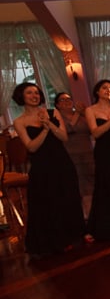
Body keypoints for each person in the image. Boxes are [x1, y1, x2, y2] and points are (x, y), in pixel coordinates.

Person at [11, 82, 85, 257]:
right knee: (49, 203)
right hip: (41, 167)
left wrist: (49, 124)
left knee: (68, 197)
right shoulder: (19, 121)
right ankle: (54, 241)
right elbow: (31, 147)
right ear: (22, 96)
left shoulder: (53, 112)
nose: (34, 95)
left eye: (37, 92)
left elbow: (64, 137)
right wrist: (44, 130)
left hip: (61, 162)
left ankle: (72, 237)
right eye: (29, 93)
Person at [84, 79, 110, 241]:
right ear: (97, 91)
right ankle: (103, 225)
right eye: (105, 88)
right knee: (106, 186)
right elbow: (95, 133)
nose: (109, 91)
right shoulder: (91, 110)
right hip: (104, 151)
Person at [54, 92, 94, 217]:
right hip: (71, 154)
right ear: (57, 105)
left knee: (91, 183)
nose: (66, 101)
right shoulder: (58, 118)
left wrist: (82, 113)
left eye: (68, 99)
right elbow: (69, 129)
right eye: (62, 100)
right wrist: (77, 113)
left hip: (87, 153)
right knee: (78, 184)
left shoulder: (82, 116)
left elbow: (92, 130)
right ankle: (83, 214)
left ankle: (93, 213)